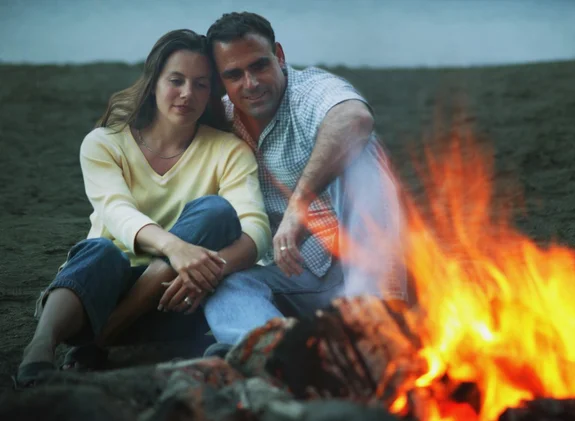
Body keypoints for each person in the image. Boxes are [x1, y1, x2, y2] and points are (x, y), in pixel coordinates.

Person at [14, 29, 271, 388]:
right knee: (100, 251)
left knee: (215, 212)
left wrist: (208, 269)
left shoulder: (228, 151)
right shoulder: (105, 143)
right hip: (94, 296)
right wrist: (174, 248)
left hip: (175, 301)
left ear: (211, 92)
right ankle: (39, 348)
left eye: (200, 84)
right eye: (176, 80)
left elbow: (256, 230)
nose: (187, 94)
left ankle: (99, 342)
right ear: (153, 82)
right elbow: (116, 211)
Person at [202, 12, 407, 349]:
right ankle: (273, 353)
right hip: (298, 274)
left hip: (364, 266)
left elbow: (354, 117)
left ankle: (373, 321)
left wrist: (300, 205)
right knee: (228, 285)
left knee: (359, 152)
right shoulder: (221, 119)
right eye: (234, 75)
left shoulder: (310, 91)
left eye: (259, 66)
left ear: (279, 56)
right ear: (220, 79)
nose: (250, 83)